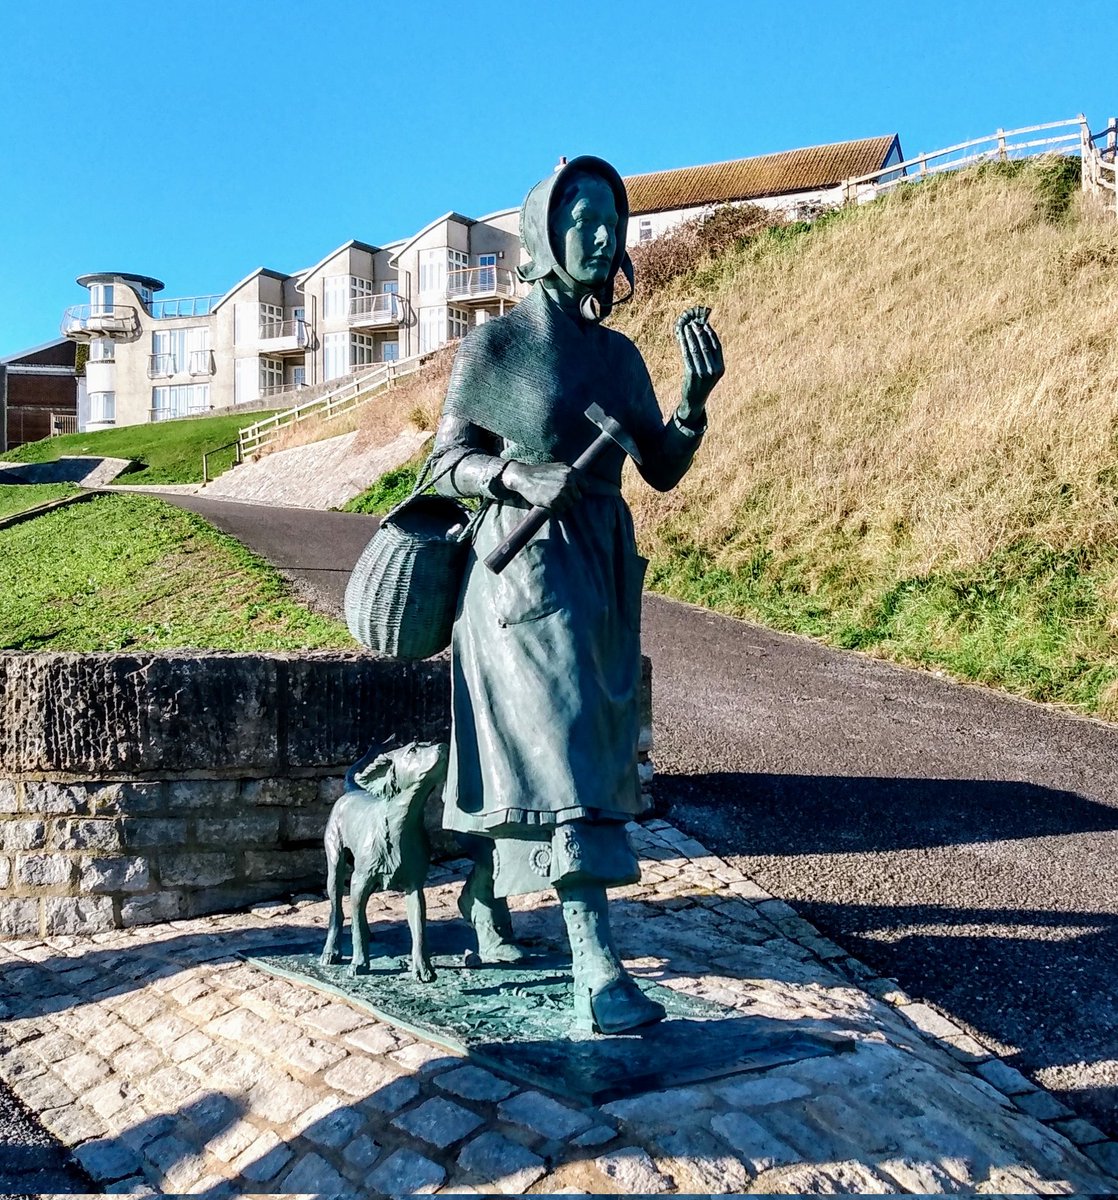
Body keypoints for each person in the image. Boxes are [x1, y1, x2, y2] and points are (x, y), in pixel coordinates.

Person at [429, 155, 724, 1033]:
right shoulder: (498, 347)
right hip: (519, 571)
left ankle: (484, 895)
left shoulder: (618, 357)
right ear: (542, 237)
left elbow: (660, 469)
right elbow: (445, 466)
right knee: (563, 755)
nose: (602, 237)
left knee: (570, 751)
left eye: (613, 221)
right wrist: (518, 475)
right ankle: (598, 964)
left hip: (600, 573)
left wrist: (692, 405)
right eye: (583, 220)